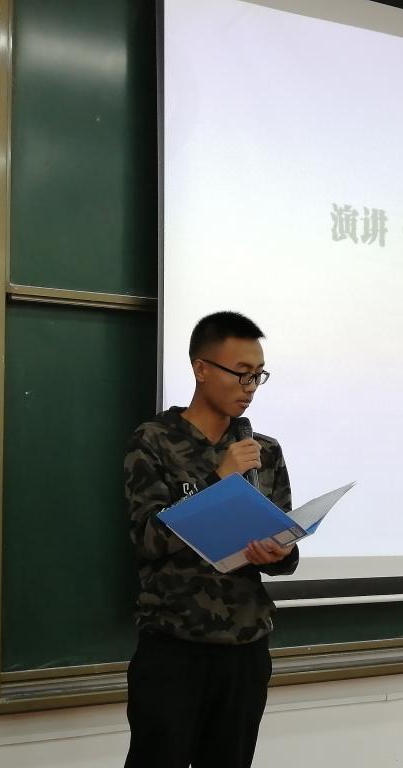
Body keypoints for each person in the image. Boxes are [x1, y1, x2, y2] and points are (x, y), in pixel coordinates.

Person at [123, 310, 298, 768]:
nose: (250, 387)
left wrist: (279, 552)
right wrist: (216, 481)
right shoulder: (154, 440)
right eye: (240, 373)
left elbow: (286, 553)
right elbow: (148, 540)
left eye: (258, 375)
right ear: (201, 368)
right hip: (175, 646)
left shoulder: (264, 450)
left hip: (246, 646)